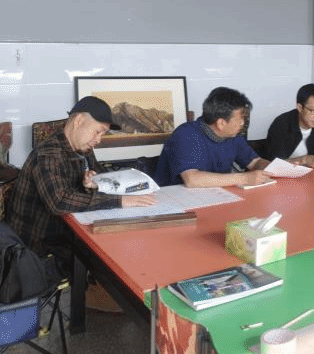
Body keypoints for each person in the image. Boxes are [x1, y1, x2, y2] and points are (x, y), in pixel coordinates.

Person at [5, 96, 156, 270]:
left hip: (68, 233)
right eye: (97, 131)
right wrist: (120, 201)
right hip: (37, 250)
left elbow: (101, 178)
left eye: (103, 134)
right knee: (114, 258)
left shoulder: (83, 149)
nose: (99, 139)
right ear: (78, 121)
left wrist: (93, 183)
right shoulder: (48, 154)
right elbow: (59, 202)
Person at [154, 87, 272, 187]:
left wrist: (273, 168)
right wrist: (245, 178)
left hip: (217, 195)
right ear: (221, 123)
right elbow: (192, 180)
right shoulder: (186, 135)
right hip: (175, 199)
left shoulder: (233, 136)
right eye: (240, 119)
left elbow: (254, 162)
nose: (243, 123)